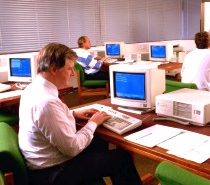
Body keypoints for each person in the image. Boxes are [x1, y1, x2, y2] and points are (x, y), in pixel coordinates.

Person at [18, 42, 142, 185]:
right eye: (69, 68)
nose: (72, 73)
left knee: (98, 141)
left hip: (41, 158)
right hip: (52, 172)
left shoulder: (33, 88)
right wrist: (93, 122)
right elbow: (72, 148)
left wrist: (73, 114)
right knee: (122, 159)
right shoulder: (47, 103)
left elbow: (45, 119)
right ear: (53, 69)